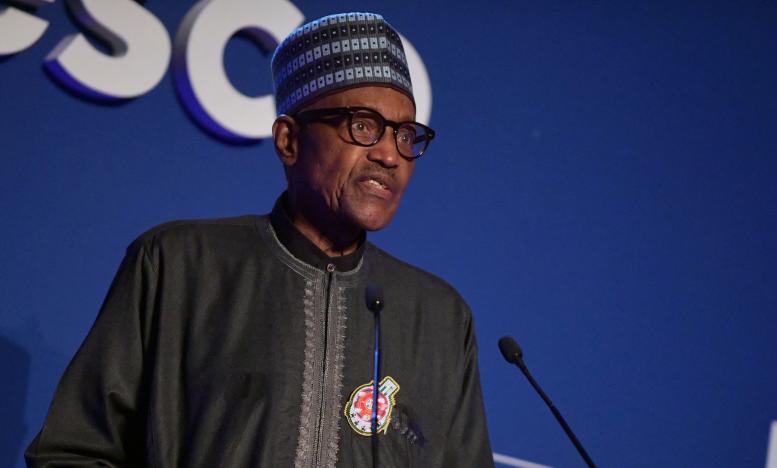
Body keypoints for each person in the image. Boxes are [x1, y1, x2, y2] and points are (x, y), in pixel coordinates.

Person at [26, 12, 493, 467]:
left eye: (407, 135)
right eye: (363, 126)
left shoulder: (440, 319)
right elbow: (73, 452)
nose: (391, 154)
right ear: (289, 140)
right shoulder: (178, 266)